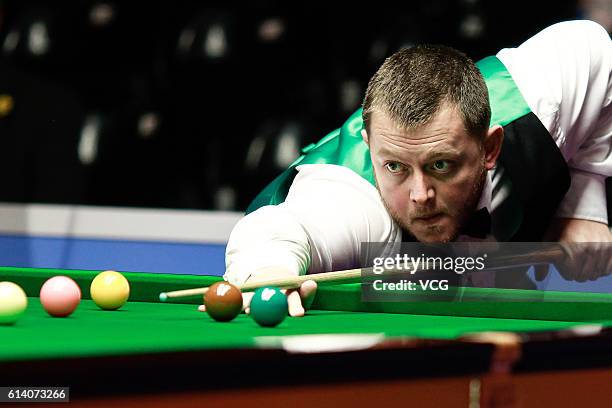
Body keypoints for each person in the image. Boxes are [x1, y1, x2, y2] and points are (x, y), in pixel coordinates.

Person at [215, 20, 612, 317]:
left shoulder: (541, 96)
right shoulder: (353, 203)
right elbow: (283, 230)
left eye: (441, 165)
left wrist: (581, 207)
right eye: (395, 167)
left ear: (490, 147)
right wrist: (268, 270)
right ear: (371, 150)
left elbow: (595, 50)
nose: (420, 195)